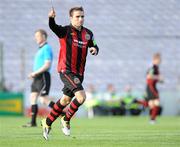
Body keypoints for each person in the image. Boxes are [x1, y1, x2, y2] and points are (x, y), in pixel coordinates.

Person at [41, 6, 99, 140]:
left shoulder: (88, 33)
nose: (80, 19)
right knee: (81, 97)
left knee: (66, 100)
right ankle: (66, 119)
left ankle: (47, 122)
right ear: (71, 18)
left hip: (79, 73)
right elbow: (53, 27)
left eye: (82, 16)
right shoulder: (65, 31)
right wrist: (51, 18)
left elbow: (94, 45)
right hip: (66, 70)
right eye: (77, 17)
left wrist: (94, 49)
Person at [23, 29, 55, 127]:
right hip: (37, 77)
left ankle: (62, 113)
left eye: (38, 36)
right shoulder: (40, 49)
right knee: (32, 97)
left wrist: (35, 73)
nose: (36, 38)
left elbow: (47, 64)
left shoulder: (46, 48)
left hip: (43, 76)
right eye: (35, 36)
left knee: (43, 99)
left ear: (44, 36)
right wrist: (34, 74)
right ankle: (33, 122)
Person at [145, 53, 163, 124]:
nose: (160, 61)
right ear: (155, 59)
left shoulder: (156, 67)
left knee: (152, 104)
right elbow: (149, 76)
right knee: (156, 102)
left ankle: (152, 119)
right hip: (151, 87)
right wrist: (158, 78)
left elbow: (155, 78)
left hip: (152, 86)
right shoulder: (153, 67)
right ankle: (152, 119)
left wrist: (160, 80)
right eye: (159, 59)